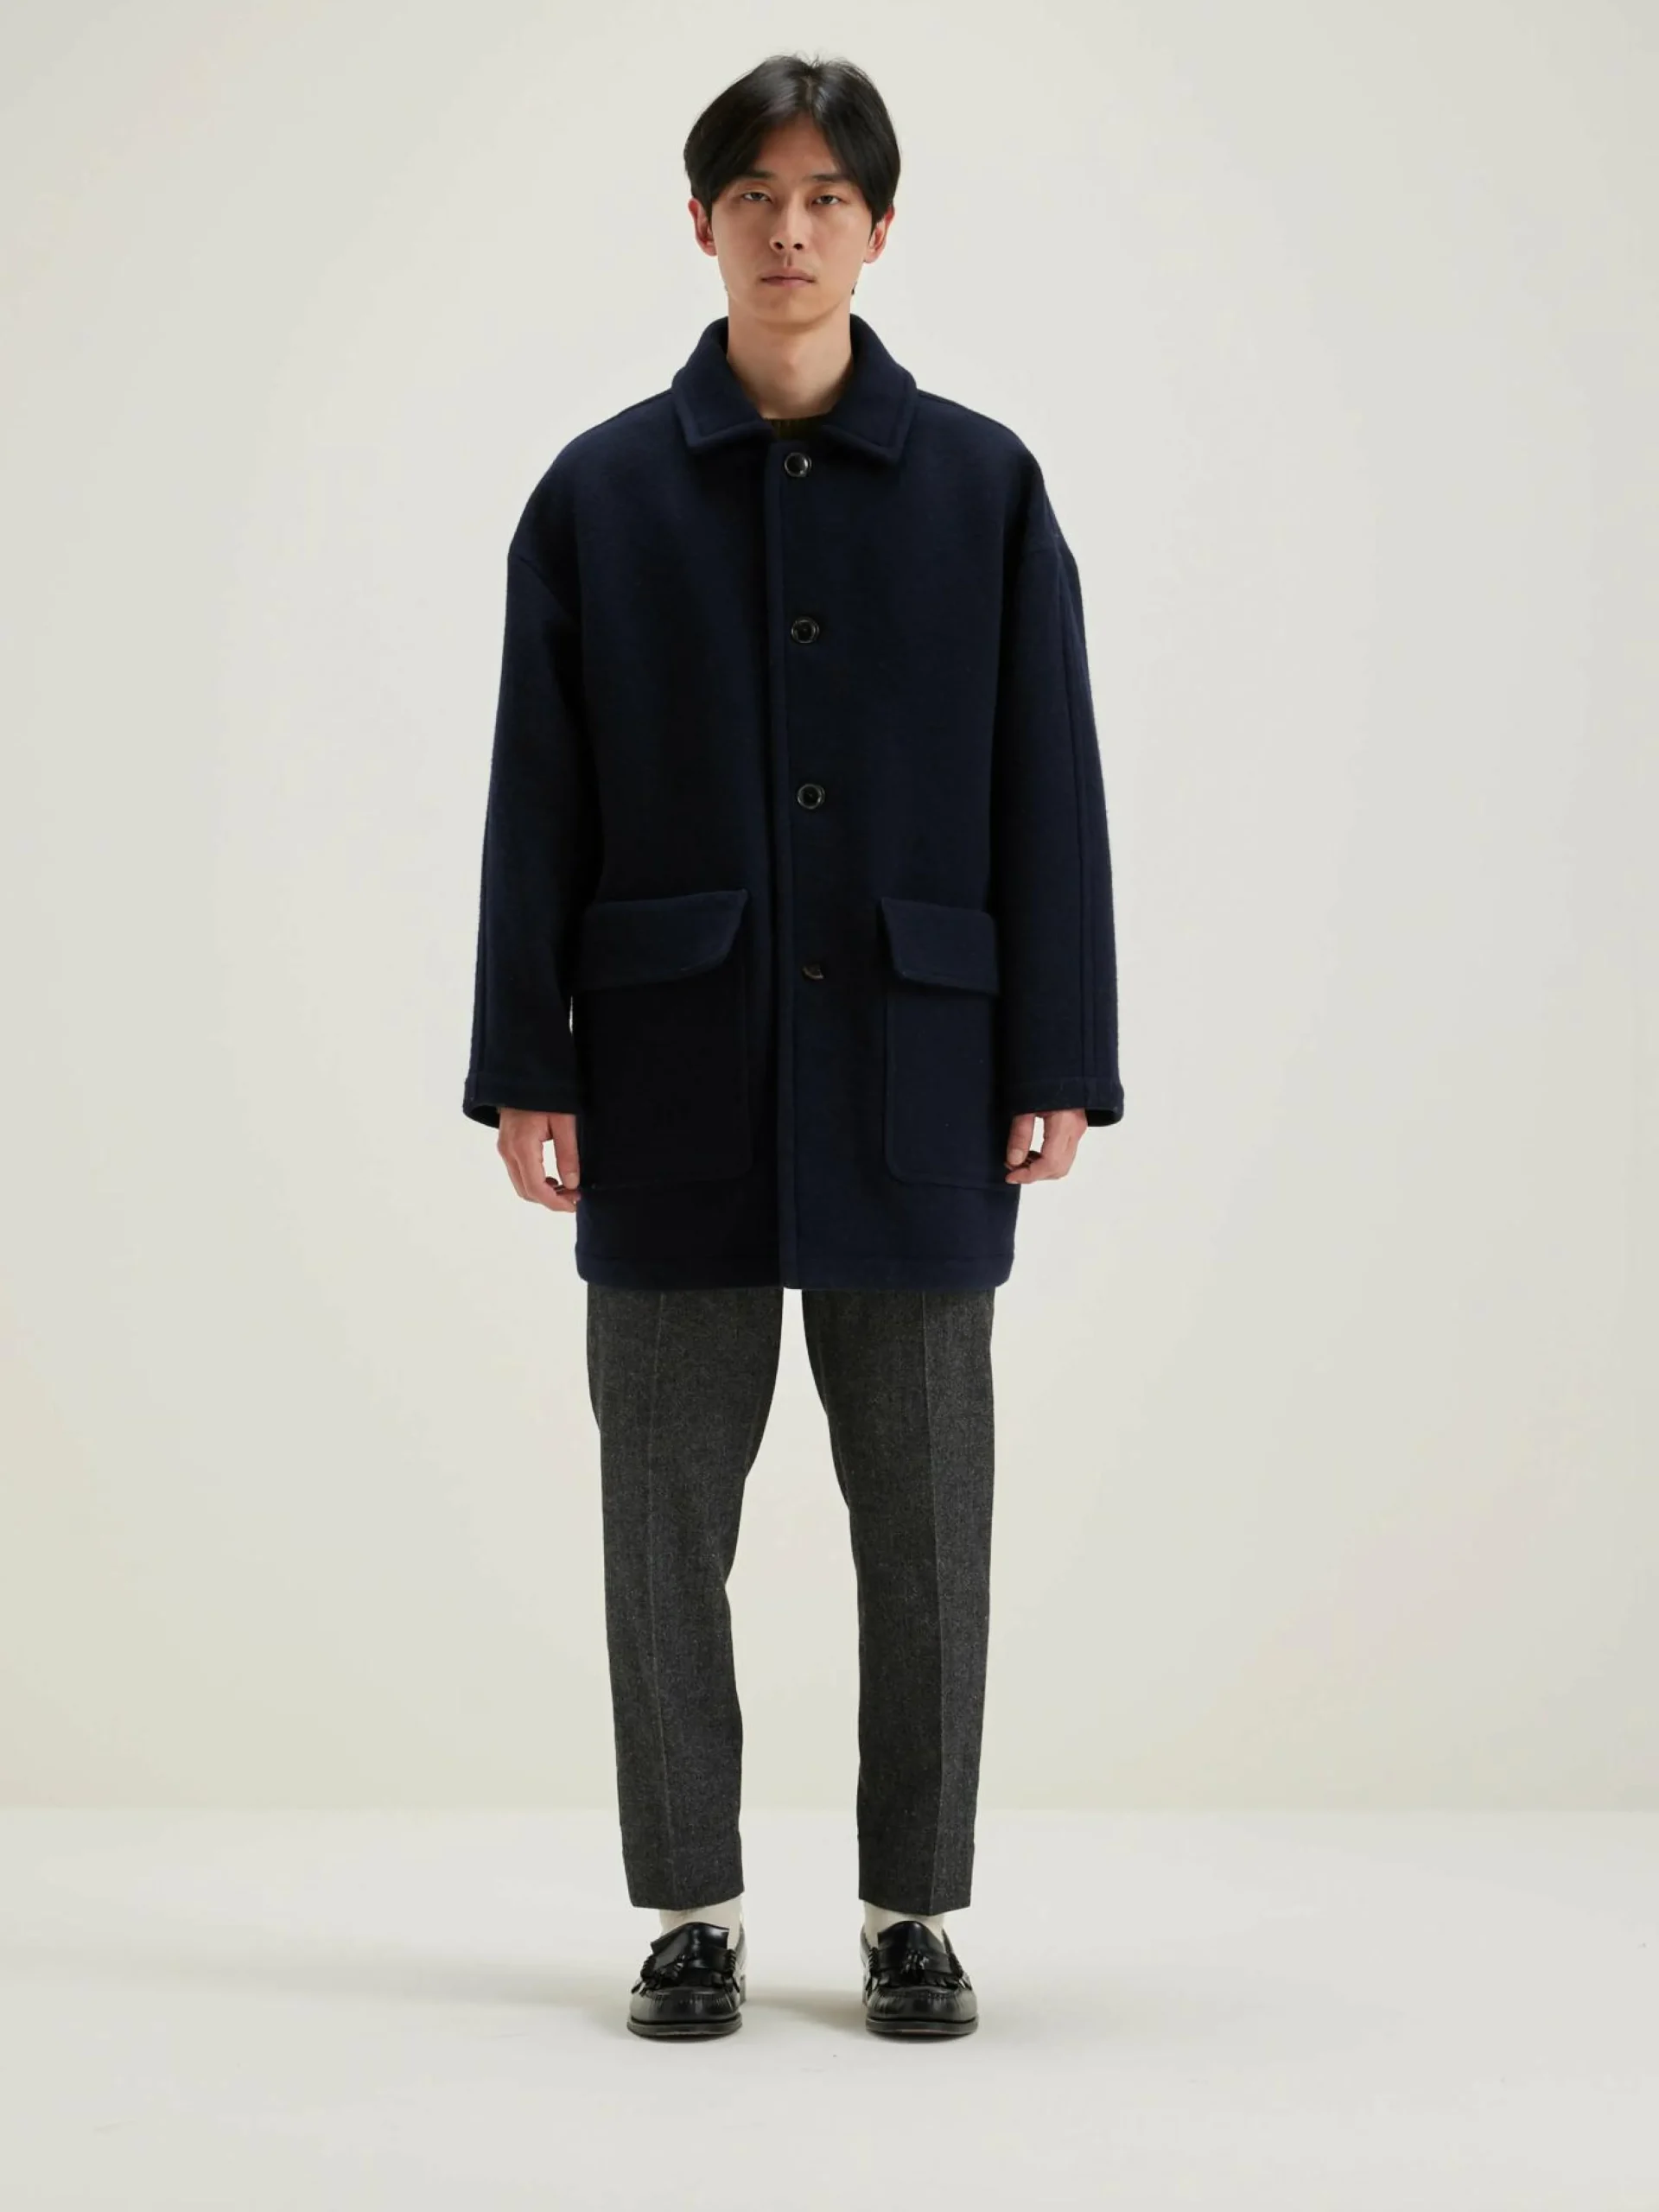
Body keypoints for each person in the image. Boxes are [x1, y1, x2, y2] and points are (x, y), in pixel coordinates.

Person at [462, 52, 1122, 2041]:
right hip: (666, 1068)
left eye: (830, 193)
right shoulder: (599, 494)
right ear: (701, 221)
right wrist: (526, 1057)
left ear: (882, 227)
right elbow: (537, 797)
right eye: (755, 191)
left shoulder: (986, 488)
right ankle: (691, 1906)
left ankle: (914, 1906)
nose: (791, 226)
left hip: (924, 1069)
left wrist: (1060, 1049)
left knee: (925, 1517)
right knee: (663, 1513)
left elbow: (1048, 784)